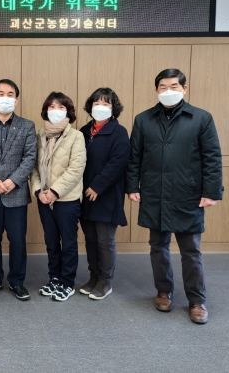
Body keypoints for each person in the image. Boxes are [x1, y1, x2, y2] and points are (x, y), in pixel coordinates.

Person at [126, 68, 223, 324]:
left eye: (174, 87)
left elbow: (212, 157)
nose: (168, 91)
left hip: (187, 193)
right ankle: (163, 291)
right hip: (154, 193)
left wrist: (211, 192)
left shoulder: (201, 118)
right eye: (163, 87)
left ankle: (196, 300)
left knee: (191, 250)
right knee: (158, 246)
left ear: (184, 88)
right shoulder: (143, 119)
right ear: (156, 90)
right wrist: (132, 187)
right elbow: (135, 157)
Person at [0, 79, 37, 301]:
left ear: (16, 100)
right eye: (1, 94)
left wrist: (13, 181)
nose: (5, 98)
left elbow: (30, 157)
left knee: (18, 241)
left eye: (10, 94)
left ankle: (17, 281)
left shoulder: (27, 126)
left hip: (16, 194)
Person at [30, 92, 86, 301]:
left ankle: (67, 282)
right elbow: (33, 167)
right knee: (51, 241)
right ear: (46, 110)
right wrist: (39, 191)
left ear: (68, 112)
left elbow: (76, 169)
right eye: (52, 107)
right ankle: (54, 278)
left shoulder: (76, 136)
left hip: (66, 199)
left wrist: (54, 191)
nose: (56, 111)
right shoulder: (40, 135)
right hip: (44, 199)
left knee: (68, 242)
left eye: (61, 107)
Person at [78, 88, 130, 300]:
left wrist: (97, 186)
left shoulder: (119, 132)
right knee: (90, 239)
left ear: (113, 108)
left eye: (106, 103)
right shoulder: (83, 131)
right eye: (96, 103)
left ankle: (105, 281)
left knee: (105, 240)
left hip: (106, 195)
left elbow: (118, 162)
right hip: (84, 195)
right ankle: (94, 277)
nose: (100, 107)